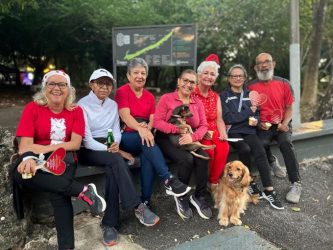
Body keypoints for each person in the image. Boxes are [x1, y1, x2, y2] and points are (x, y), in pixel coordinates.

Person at [13, 70, 106, 250]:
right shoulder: (33, 108)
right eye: (52, 84)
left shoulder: (76, 110)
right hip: (36, 157)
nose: (56, 88)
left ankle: (66, 247)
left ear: (68, 89)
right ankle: (83, 191)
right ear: (44, 88)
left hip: (65, 158)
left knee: (58, 194)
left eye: (61, 84)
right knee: (20, 174)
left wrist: (43, 148)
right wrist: (30, 157)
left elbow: (75, 144)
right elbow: (25, 146)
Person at [78, 69, 161, 246]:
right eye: (100, 83)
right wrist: (113, 150)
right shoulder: (82, 105)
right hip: (88, 148)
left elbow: (116, 131)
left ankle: (110, 224)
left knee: (112, 168)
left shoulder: (112, 105)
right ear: (91, 84)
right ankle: (137, 206)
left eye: (108, 84)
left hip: (109, 146)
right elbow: (87, 140)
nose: (104, 87)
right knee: (116, 160)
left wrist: (115, 144)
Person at [114, 58, 190, 207]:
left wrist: (148, 128)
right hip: (126, 135)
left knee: (147, 152)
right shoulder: (122, 91)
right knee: (146, 140)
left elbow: (153, 119)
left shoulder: (149, 96)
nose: (139, 76)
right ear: (128, 76)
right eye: (135, 72)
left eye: (143, 73)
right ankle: (167, 178)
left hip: (144, 137)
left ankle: (146, 200)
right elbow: (126, 117)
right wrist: (141, 129)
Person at [221, 64, 284, 210]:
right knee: (244, 149)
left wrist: (255, 119)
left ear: (244, 78)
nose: (237, 78)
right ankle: (248, 182)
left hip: (249, 130)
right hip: (233, 132)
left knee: (260, 151)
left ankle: (269, 190)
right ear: (229, 78)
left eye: (240, 76)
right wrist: (248, 111)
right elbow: (228, 118)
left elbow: (256, 113)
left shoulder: (251, 94)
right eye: (234, 76)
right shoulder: (224, 96)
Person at [154, 69, 213, 220]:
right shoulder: (167, 98)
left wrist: (192, 137)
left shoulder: (196, 102)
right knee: (187, 159)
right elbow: (157, 122)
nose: (188, 84)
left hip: (188, 137)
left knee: (203, 157)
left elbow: (204, 125)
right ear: (179, 82)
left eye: (192, 82)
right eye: (185, 81)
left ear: (196, 85)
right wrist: (177, 129)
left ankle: (199, 196)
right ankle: (181, 195)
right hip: (166, 137)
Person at [247, 52, 301, 204]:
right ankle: (271, 160)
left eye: (267, 61)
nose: (264, 65)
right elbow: (248, 111)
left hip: (282, 123)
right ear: (255, 67)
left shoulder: (284, 83)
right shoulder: (249, 86)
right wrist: (258, 123)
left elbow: (290, 108)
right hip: (263, 125)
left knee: (285, 143)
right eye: (260, 63)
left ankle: (296, 183)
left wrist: (285, 122)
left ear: (273, 64)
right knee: (261, 144)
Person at [192, 54, 229, 190]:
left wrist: (223, 133)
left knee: (224, 147)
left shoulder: (215, 96)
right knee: (210, 152)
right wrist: (201, 131)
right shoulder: (191, 93)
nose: (209, 76)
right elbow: (185, 118)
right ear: (199, 75)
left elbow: (219, 119)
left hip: (214, 130)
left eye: (212, 74)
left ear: (215, 78)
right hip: (198, 131)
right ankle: (204, 182)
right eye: (206, 73)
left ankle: (213, 183)